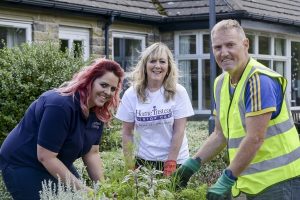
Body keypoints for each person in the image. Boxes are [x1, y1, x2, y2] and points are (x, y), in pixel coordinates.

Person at [174, 19, 300, 200]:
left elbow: (255, 138)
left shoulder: (259, 80)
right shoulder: (220, 83)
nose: (224, 53)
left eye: (230, 45)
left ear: (245, 44)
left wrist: (227, 178)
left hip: (281, 182)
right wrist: (193, 163)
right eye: (217, 47)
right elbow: (220, 134)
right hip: (251, 183)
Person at [0, 58, 124, 200]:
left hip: (56, 160)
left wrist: (104, 189)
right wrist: (86, 191)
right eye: (103, 85)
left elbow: (92, 153)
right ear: (89, 81)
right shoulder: (60, 106)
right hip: (23, 163)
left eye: (113, 89)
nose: (108, 92)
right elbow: (46, 157)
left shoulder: (97, 111)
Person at [116, 42, 194, 177]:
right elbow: (127, 133)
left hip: (176, 161)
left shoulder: (178, 92)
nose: (157, 66)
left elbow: (179, 131)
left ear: (168, 66)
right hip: (144, 163)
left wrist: (170, 163)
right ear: (145, 65)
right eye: (152, 61)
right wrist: (130, 165)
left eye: (162, 61)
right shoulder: (131, 94)